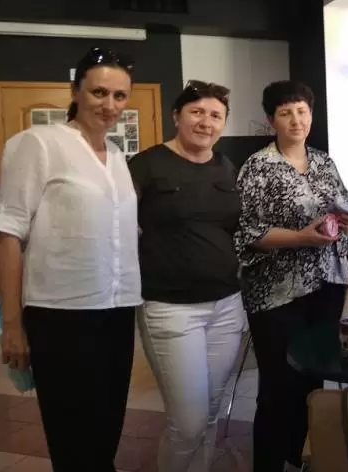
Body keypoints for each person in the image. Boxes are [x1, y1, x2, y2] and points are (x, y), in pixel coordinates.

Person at [0, 47, 141, 472]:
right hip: (61, 315)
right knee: (73, 438)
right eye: (99, 92)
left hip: (117, 309)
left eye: (120, 95)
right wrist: (13, 325)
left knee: (106, 432)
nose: (110, 105)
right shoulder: (38, 143)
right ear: (75, 91)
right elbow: (7, 233)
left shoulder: (117, 156)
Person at [235, 80, 348, 472]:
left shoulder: (323, 162)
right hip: (275, 292)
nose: (296, 120)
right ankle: (270, 464)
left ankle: (301, 457)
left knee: (314, 378)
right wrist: (300, 238)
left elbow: (344, 206)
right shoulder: (258, 167)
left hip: (327, 284)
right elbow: (246, 233)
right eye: (285, 112)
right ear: (271, 119)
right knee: (279, 385)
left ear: (311, 114)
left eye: (302, 111)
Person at [128, 80, 244, 472]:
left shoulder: (225, 167)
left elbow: (233, 228)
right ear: (176, 116)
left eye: (216, 115)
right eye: (197, 112)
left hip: (226, 305)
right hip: (170, 308)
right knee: (189, 421)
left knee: (210, 412)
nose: (206, 122)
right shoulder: (147, 165)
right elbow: (116, 225)